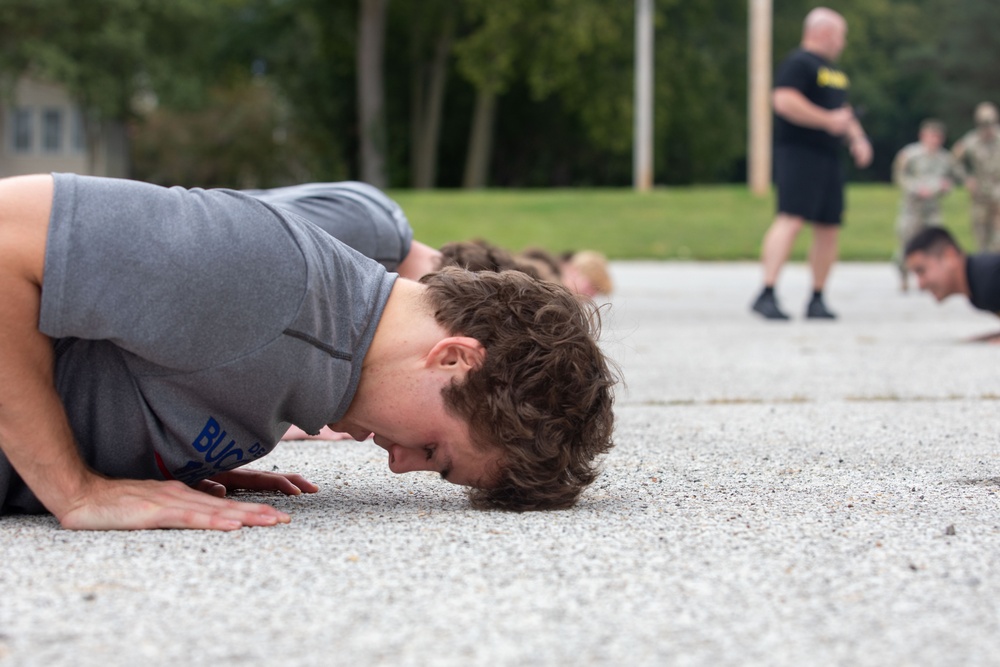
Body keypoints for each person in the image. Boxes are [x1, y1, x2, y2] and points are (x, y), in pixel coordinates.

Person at [0, 173, 617, 530]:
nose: (401, 467)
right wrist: (75, 490)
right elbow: (6, 236)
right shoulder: (267, 273)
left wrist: (157, 454)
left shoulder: (312, 356)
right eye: (434, 450)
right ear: (454, 358)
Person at [750, 7, 873, 321]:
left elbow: (842, 111)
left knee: (829, 226)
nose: (842, 43)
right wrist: (826, 121)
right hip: (799, 153)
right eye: (841, 36)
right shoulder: (799, 63)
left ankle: (817, 297)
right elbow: (784, 100)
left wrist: (857, 138)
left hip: (829, 157)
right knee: (791, 219)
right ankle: (767, 291)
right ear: (825, 32)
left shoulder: (834, 72)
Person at [892, 119, 954, 291]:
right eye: (932, 136)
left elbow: (951, 179)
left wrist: (945, 187)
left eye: (938, 137)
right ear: (923, 136)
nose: (935, 140)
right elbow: (899, 177)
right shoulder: (910, 155)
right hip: (912, 208)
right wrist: (915, 188)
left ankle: (929, 279)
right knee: (907, 243)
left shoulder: (945, 158)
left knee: (935, 244)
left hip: (932, 208)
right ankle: (904, 277)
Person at [904, 226, 1000, 315]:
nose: (920, 285)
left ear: (950, 255)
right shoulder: (976, 288)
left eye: (921, 271)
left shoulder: (990, 281)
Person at [951, 102, 1000, 252]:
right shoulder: (970, 141)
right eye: (983, 124)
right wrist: (966, 179)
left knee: (998, 241)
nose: (987, 128)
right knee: (981, 239)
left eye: (990, 123)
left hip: (998, 196)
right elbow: (954, 161)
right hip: (979, 197)